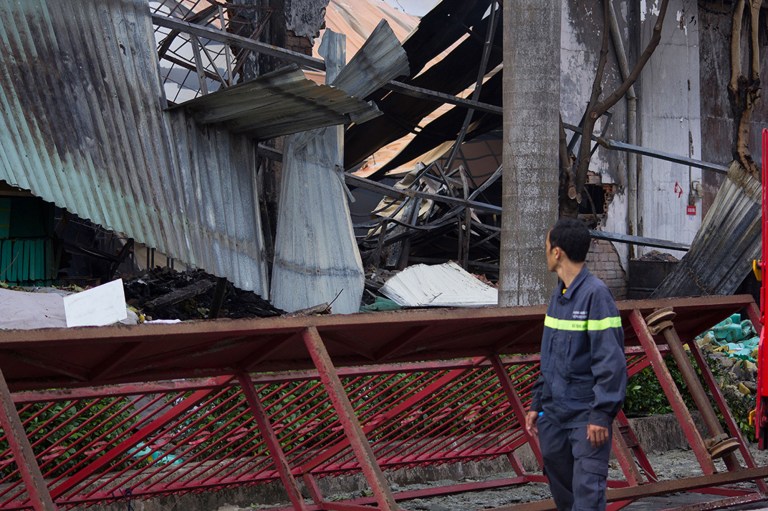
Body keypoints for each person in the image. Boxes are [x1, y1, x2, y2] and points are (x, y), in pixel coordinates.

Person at [525, 217, 627, 511]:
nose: (545, 251)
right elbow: (551, 359)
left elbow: (611, 360)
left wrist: (601, 414)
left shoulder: (596, 295)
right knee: (565, 496)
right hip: (554, 416)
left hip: (585, 418)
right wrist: (537, 404)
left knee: (587, 496)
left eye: (546, 245)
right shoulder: (559, 295)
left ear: (557, 252)